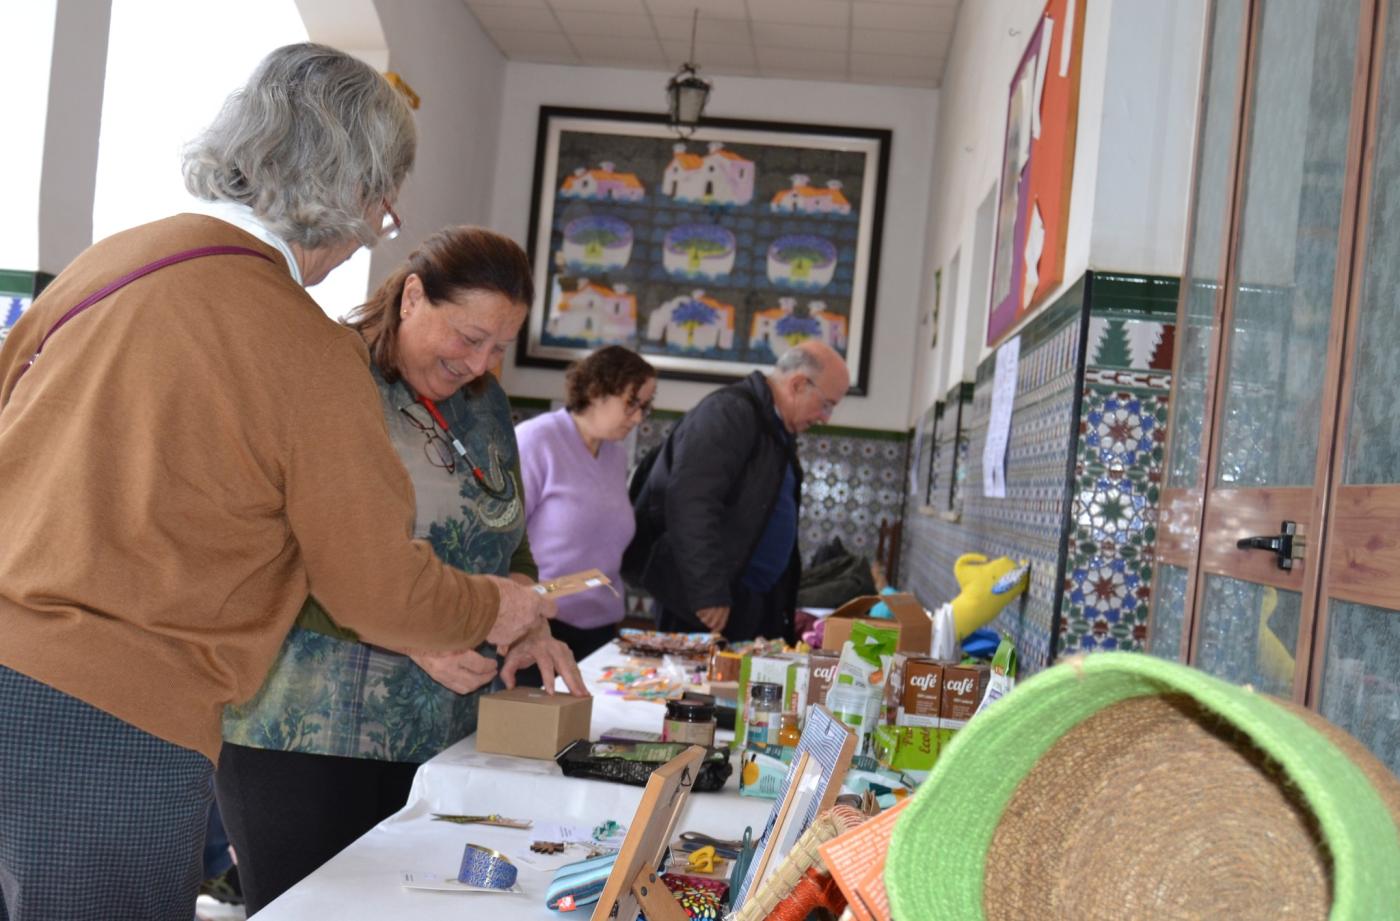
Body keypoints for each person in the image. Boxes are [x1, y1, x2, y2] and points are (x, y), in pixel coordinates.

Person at [0, 44, 553, 921]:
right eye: (384, 206)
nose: (379, 224)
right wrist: (495, 606)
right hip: (117, 720)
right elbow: (372, 585)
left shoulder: (110, 263)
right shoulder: (303, 345)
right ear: (356, 192)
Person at [216, 226, 585, 913]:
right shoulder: (329, 377)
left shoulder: (484, 403)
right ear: (413, 295)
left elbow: (506, 530)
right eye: (468, 337)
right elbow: (267, 555)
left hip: (440, 741)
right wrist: (413, 632)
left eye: (498, 346)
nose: (479, 362)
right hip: (304, 731)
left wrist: (526, 613)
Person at [628, 341, 850, 642]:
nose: (826, 418)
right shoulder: (729, 413)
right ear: (798, 384)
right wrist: (708, 593)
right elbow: (690, 502)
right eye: (827, 404)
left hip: (747, 602)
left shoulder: (775, 427)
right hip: (707, 605)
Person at [516, 346, 657, 662]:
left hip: (602, 627)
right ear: (596, 391)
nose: (637, 417)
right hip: (541, 625)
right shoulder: (535, 441)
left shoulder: (615, 454)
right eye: (631, 404)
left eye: (645, 407)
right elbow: (501, 540)